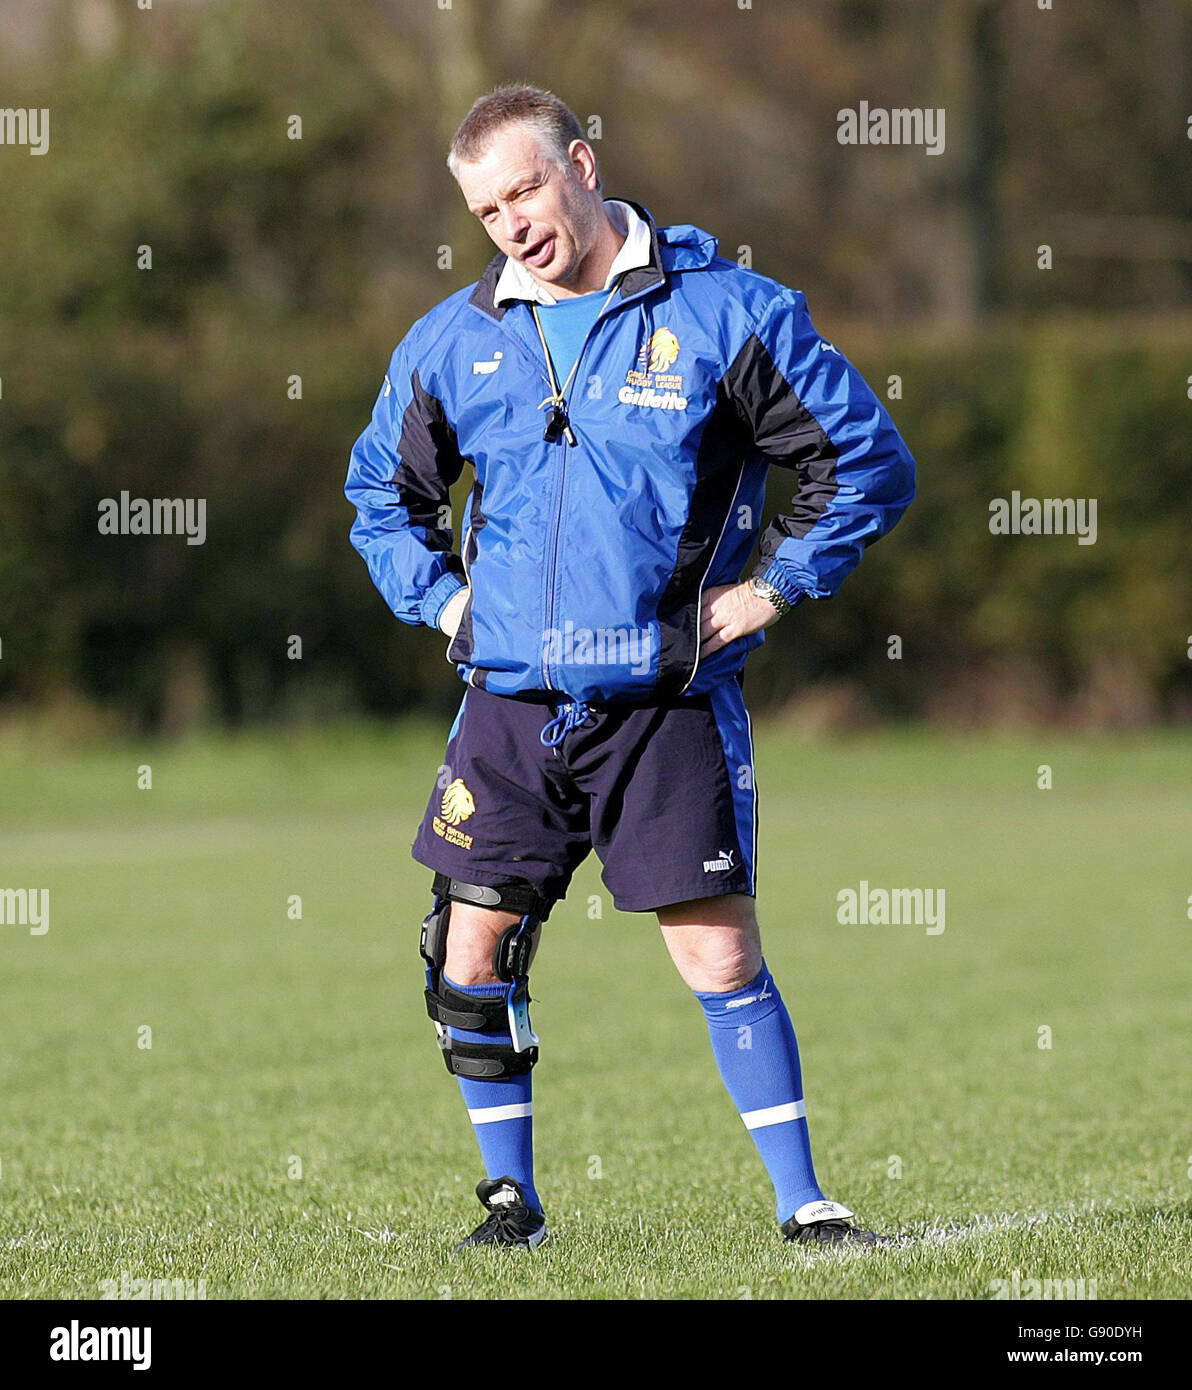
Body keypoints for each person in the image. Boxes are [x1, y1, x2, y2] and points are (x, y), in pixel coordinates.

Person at [345, 84, 915, 1251]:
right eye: (486, 207)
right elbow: (379, 500)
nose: (510, 222)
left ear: (582, 165)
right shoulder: (453, 340)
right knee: (469, 946)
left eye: (525, 189)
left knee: (716, 951)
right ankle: (511, 1202)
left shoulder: (727, 314)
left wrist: (768, 590)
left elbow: (865, 465)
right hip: (506, 706)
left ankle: (807, 1204)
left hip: (664, 703)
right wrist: (451, 608)